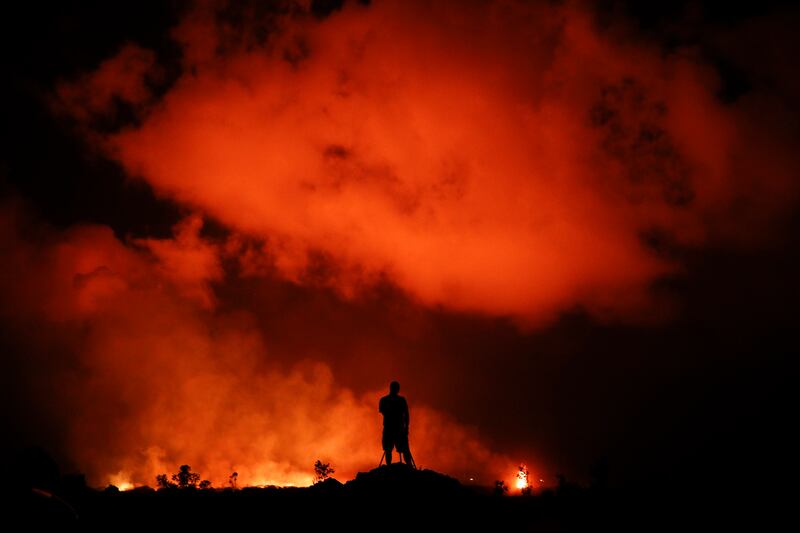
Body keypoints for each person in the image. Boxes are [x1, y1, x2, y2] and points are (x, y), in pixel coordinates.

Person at [378, 381, 415, 467]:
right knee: (389, 449)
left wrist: (406, 428)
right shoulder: (387, 400)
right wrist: (406, 428)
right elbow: (406, 415)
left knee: (402, 449)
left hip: (396, 429)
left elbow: (406, 415)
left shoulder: (386, 400)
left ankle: (407, 466)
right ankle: (391, 467)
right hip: (393, 428)